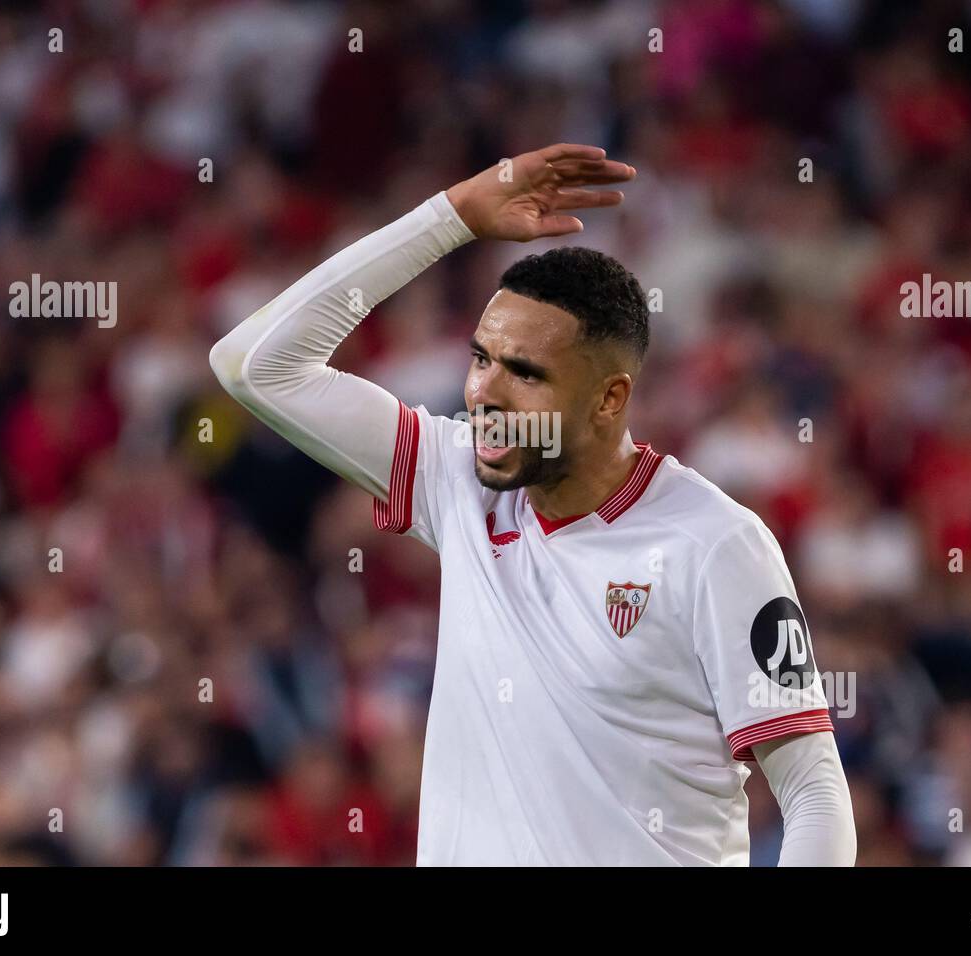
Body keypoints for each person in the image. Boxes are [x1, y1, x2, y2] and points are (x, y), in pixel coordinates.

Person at [210, 143, 856, 865]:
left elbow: (813, 793)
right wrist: (450, 217)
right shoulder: (457, 481)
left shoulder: (714, 545)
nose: (484, 392)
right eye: (482, 357)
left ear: (610, 398)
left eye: (524, 372)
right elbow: (254, 365)